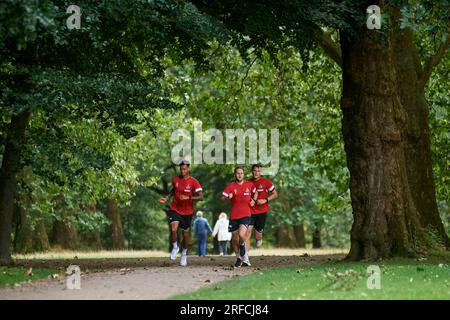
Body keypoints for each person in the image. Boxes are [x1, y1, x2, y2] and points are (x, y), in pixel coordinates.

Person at [159, 160, 203, 266]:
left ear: (188, 169)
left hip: (187, 212)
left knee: (185, 235)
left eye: (184, 169)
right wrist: (167, 197)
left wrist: (188, 197)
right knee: (174, 228)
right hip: (175, 208)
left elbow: (201, 197)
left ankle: (184, 254)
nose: (182, 171)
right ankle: (175, 247)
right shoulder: (176, 179)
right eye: (181, 169)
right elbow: (174, 189)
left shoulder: (194, 182)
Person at [221, 167, 257, 267]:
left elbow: (256, 192)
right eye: (238, 173)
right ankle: (238, 258)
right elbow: (222, 198)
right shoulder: (231, 186)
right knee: (234, 238)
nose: (240, 175)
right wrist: (228, 197)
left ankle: (242, 246)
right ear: (235, 175)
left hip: (246, 214)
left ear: (243, 174)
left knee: (242, 235)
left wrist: (253, 200)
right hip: (234, 216)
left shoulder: (249, 185)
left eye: (241, 173)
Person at [246, 164, 278, 254]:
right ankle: (245, 256)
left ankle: (259, 236)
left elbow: (275, 194)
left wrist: (265, 200)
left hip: (262, 211)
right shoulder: (247, 182)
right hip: (250, 211)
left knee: (258, 236)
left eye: (258, 171)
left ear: (261, 172)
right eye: (255, 170)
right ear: (252, 171)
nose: (256, 173)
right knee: (247, 232)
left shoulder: (266, 182)